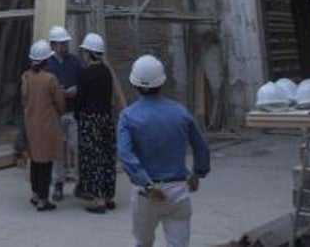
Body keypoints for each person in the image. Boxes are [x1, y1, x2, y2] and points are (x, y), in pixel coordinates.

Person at [117, 55, 211, 247]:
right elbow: (201, 146)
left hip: (146, 192)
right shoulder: (180, 112)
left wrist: (146, 183)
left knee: (142, 243)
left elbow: (125, 153)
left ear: (134, 84)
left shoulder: (128, 116)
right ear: (163, 82)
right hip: (178, 189)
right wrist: (198, 173)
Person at [21, 39, 65, 212]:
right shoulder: (50, 79)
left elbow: (23, 100)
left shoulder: (26, 77)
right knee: (46, 163)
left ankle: (35, 194)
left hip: (31, 125)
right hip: (47, 127)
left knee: (35, 162)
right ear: (46, 60)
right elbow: (60, 103)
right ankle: (43, 199)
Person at [76, 32, 117, 213]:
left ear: (89, 52)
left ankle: (98, 199)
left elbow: (80, 99)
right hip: (106, 119)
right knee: (107, 157)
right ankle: (108, 196)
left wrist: (77, 115)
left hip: (90, 120)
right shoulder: (107, 72)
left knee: (94, 159)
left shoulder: (86, 74)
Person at [43, 24, 82, 202]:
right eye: (61, 44)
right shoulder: (48, 65)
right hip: (56, 114)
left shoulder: (75, 61)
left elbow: (83, 82)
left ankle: (80, 183)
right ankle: (58, 184)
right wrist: (59, 93)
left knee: (76, 147)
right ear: (53, 45)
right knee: (58, 150)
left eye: (66, 43)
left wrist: (76, 90)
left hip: (73, 112)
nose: (64, 46)